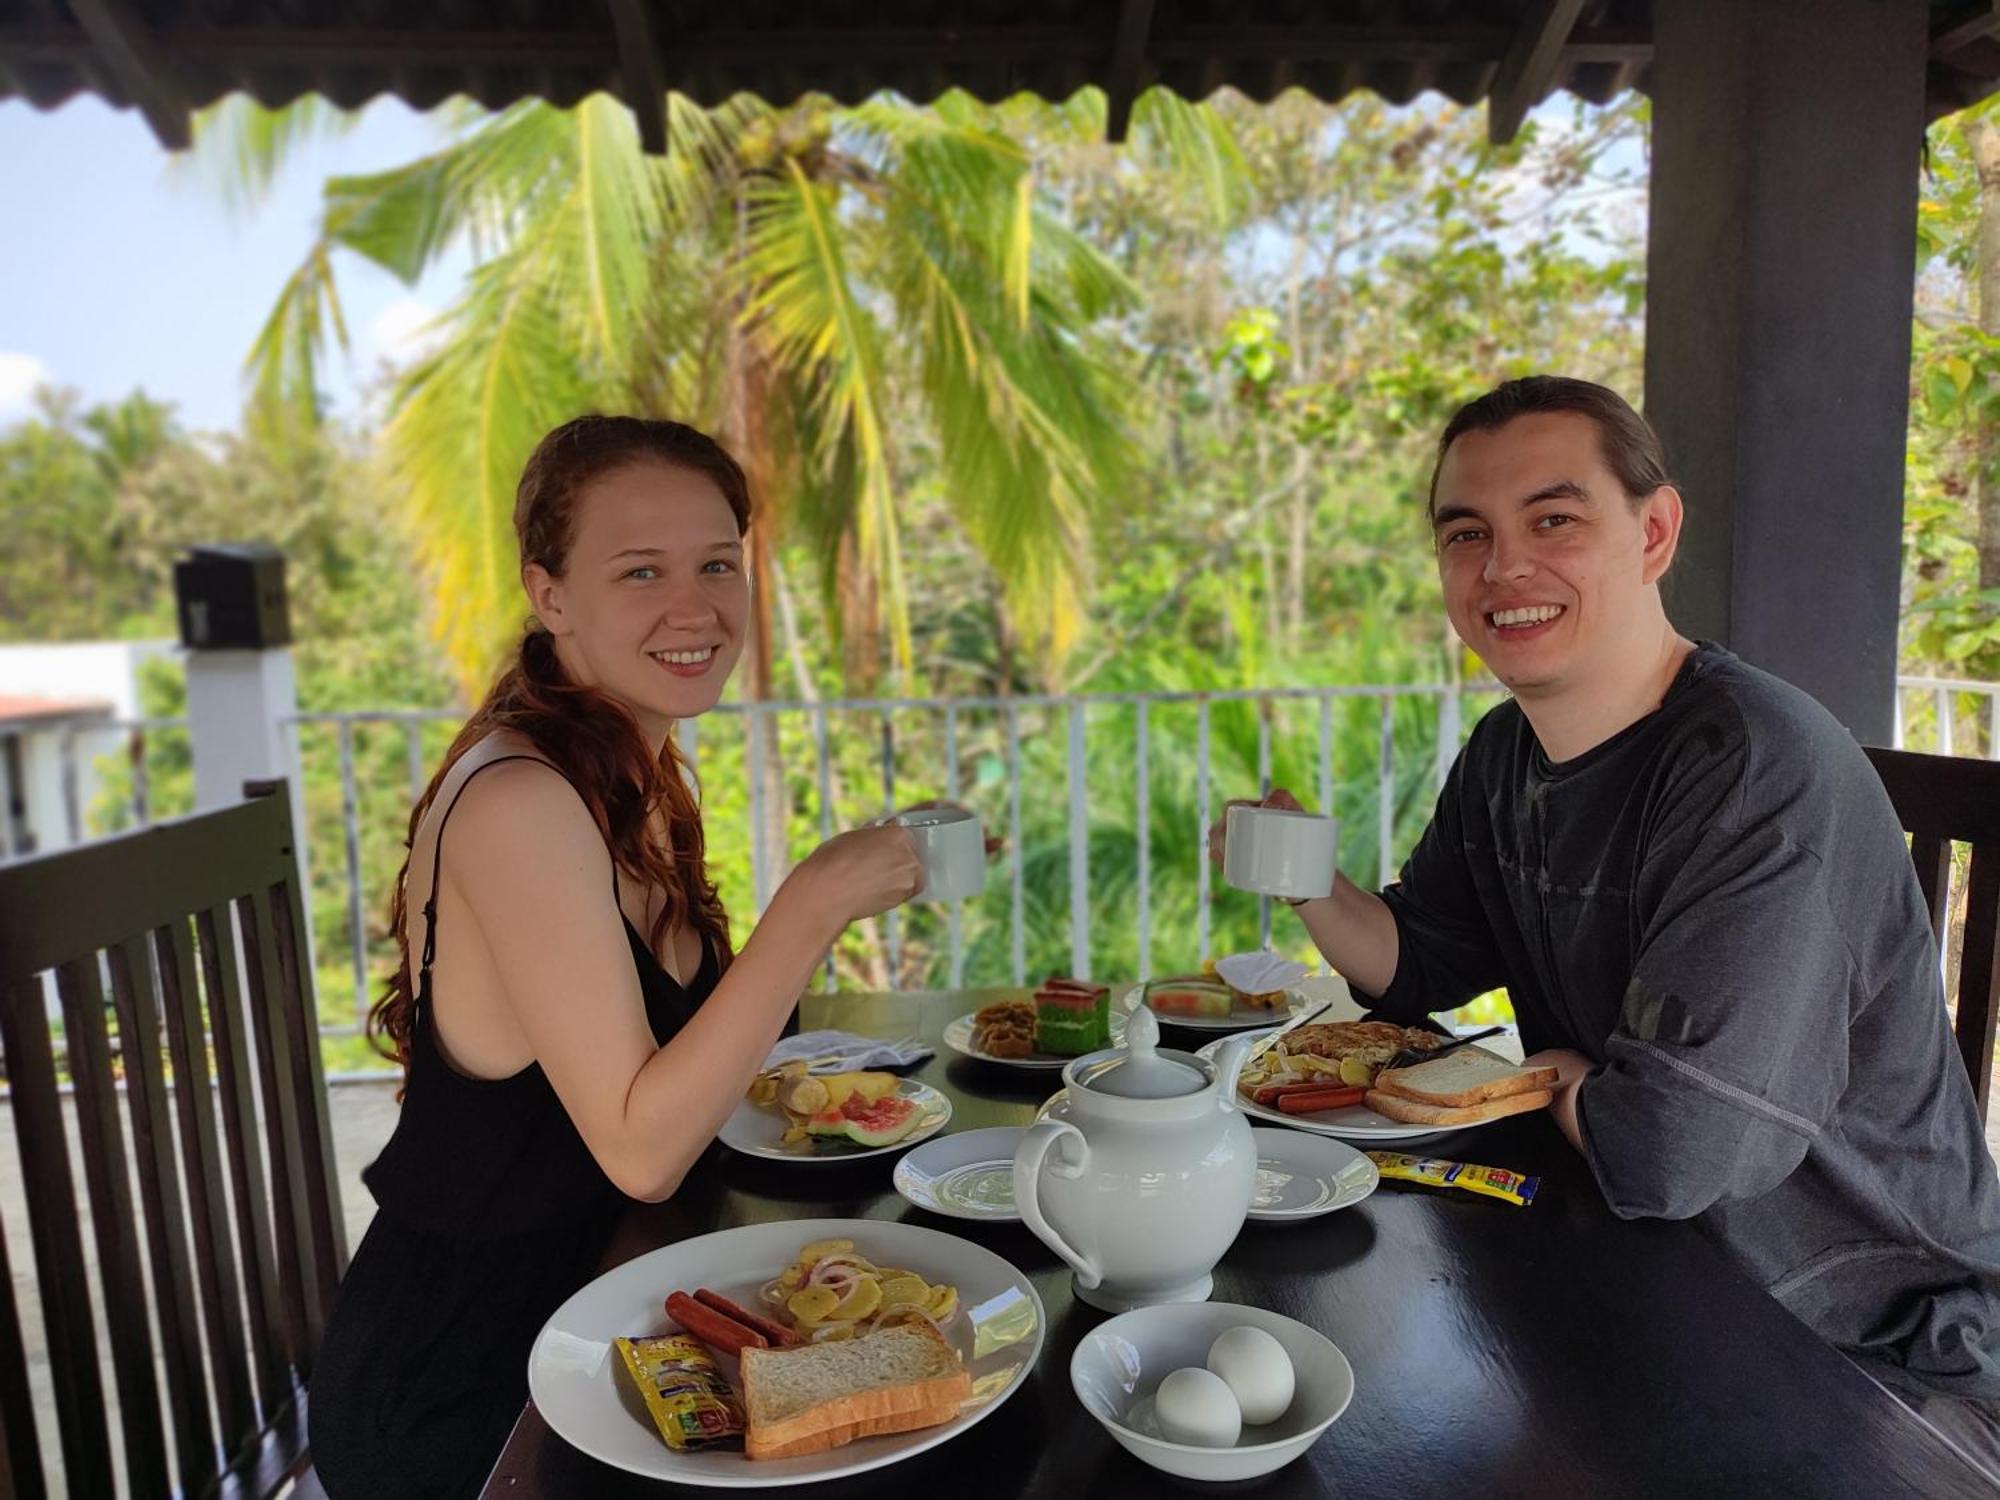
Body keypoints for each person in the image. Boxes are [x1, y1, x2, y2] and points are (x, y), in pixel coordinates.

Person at [1218, 376, 2000, 1481]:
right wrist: (1307, 884)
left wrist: (1544, 1076)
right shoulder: (1504, 756)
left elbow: (1679, 1151)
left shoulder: (1752, 770)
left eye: (1552, 519)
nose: (1502, 568)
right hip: (1650, 1278)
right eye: (1465, 534)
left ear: (1653, 532)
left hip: (1875, 1359)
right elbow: (1418, 966)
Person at [307, 416, 925, 1497]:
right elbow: (643, 1151)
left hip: (617, 1299)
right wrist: (814, 903)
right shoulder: (519, 801)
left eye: (717, 564)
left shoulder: (622, 775)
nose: (695, 608)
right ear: (550, 596)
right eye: (640, 571)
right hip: (474, 1390)